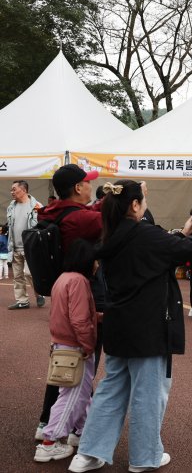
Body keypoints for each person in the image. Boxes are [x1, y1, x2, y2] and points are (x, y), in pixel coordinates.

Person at [67, 180, 192, 473]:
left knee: (111, 388)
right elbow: (188, 250)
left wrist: (183, 233)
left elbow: (162, 246)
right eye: (143, 199)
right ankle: (144, 457)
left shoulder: (110, 235)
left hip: (119, 326)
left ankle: (88, 453)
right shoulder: (146, 234)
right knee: (148, 394)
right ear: (134, 204)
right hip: (150, 328)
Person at [36, 164, 104, 442]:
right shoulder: (80, 219)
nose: (90, 186)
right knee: (79, 365)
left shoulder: (54, 210)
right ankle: (56, 432)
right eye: (87, 182)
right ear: (78, 187)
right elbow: (112, 219)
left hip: (61, 289)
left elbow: (91, 213)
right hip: (85, 292)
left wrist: (100, 203)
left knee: (65, 363)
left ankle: (57, 423)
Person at [33, 239, 98, 463]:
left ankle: (82, 432)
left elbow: (65, 314)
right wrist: (88, 345)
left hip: (61, 344)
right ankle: (49, 443)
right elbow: (79, 320)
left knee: (79, 394)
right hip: (75, 347)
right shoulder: (79, 281)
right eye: (95, 260)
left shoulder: (63, 278)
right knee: (73, 395)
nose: (97, 265)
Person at [7, 179, 43, 309]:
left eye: (14, 189)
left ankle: (39, 293)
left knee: (29, 273)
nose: (12, 192)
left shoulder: (37, 206)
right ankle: (22, 301)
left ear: (24, 190)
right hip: (14, 246)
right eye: (11, 190)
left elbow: (42, 226)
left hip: (30, 246)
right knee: (17, 276)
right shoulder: (11, 206)